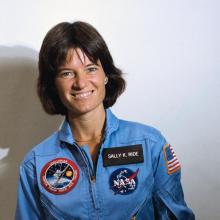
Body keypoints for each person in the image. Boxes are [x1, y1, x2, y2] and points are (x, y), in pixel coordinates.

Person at [15, 21, 195, 220]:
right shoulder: (36, 163)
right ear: (53, 84)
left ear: (106, 75)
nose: (81, 83)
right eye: (66, 73)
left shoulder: (149, 144)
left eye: (90, 68)